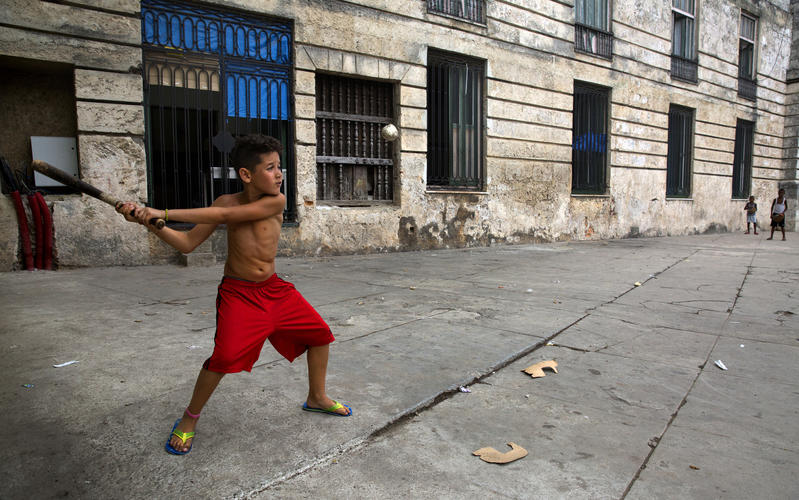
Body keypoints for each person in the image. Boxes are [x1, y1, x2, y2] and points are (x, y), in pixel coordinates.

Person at [117, 134, 351, 456]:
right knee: (224, 358)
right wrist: (149, 222)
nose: (279, 174)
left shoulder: (276, 201)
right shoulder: (223, 202)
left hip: (274, 290)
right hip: (239, 295)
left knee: (320, 335)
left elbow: (225, 219)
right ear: (246, 174)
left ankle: (317, 397)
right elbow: (187, 244)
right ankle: (189, 419)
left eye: (279, 167)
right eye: (270, 168)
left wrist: (163, 211)